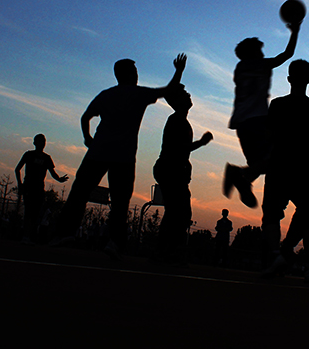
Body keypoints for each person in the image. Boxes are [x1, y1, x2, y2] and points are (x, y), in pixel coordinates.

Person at [50, 54, 186, 257]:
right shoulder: (138, 94)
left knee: (79, 192)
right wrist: (178, 71)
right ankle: (114, 242)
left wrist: (87, 137)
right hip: (123, 157)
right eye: (135, 71)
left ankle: (64, 233)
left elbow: (86, 116)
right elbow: (167, 90)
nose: (137, 75)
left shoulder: (107, 94)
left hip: (99, 152)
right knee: (120, 201)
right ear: (130, 74)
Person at [260, 60, 309, 282]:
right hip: (302, 166)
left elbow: (267, 135)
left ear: (289, 79)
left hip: (279, 165)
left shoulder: (278, 105)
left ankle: (275, 256)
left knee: (271, 213)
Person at [223, 11, 301, 208]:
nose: (262, 53)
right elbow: (288, 54)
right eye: (259, 50)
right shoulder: (263, 65)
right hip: (258, 121)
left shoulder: (239, 68)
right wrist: (295, 31)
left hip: (241, 123)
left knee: (261, 163)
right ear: (253, 52)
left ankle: (243, 177)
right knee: (274, 159)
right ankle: (241, 175)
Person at [152, 85, 213, 263]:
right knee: (178, 213)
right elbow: (179, 149)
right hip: (169, 170)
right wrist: (201, 143)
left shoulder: (182, 121)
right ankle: (166, 251)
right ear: (178, 102)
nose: (189, 96)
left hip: (173, 170)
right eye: (185, 95)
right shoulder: (176, 121)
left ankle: (166, 251)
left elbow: (182, 151)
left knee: (177, 212)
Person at [15, 134, 69, 244]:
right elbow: (17, 169)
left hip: (39, 188)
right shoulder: (28, 154)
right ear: (34, 143)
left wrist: (59, 179)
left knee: (36, 212)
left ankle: (29, 235)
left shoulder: (46, 158)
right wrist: (20, 184)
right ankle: (25, 235)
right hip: (29, 186)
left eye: (44, 141)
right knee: (29, 211)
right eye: (39, 141)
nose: (42, 143)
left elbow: (52, 173)